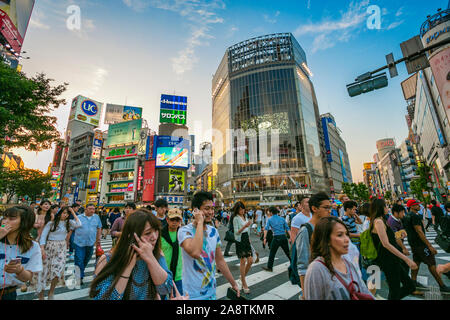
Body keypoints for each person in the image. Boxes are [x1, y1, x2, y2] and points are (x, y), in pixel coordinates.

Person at [89, 209, 175, 300]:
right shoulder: (108, 260)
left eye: (156, 231)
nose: (154, 237)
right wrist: (127, 267)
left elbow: (165, 289)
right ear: (131, 236)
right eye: (148, 233)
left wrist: (151, 259)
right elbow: (102, 297)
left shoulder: (157, 255)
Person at [178, 191, 239, 300]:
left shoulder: (213, 232)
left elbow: (220, 261)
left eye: (212, 208)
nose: (211, 212)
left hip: (211, 293)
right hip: (190, 295)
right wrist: (200, 222)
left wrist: (233, 283)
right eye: (207, 208)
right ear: (195, 210)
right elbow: (195, 252)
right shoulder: (184, 231)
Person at [304, 216, 374, 300]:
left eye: (347, 234)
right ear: (326, 239)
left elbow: (364, 290)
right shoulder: (316, 269)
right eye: (340, 235)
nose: (347, 239)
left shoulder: (348, 263)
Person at [370, 199, 417, 300]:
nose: (387, 208)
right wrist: (406, 259)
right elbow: (386, 244)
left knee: (408, 286)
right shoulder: (378, 221)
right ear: (380, 208)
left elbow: (389, 238)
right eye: (385, 206)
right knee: (396, 290)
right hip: (388, 259)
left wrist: (399, 235)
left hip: (393, 258)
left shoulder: (382, 220)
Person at [404, 199, 450, 293]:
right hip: (420, 244)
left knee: (417, 261)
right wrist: (429, 245)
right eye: (417, 205)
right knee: (431, 263)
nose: (419, 206)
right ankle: (442, 285)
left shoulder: (407, 216)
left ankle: (413, 281)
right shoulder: (414, 216)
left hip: (413, 243)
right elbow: (419, 231)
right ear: (412, 206)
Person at [36, 206, 82, 300]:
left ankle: (51, 292)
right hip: (49, 247)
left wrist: (72, 212)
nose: (65, 215)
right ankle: (41, 295)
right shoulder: (51, 223)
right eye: (63, 212)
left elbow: (79, 224)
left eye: (67, 213)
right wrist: (42, 249)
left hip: (61, 248)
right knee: (44, 272)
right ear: (60, 213)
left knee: (58, 271)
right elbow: (43, 236)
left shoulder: (69, 223)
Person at [0, 206, 43, 300]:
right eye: (4, 217)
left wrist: (19, 270)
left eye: (11, 218)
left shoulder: (33, 246)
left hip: (8, 293)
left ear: (24, 222)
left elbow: (26, 278)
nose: (4, 222)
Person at [295, 192, 331, 297]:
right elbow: (302, 265)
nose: (329, 211)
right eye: (326, 208)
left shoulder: (328, 226)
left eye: (330, 207)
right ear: (314, 209)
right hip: (316, 282)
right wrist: (305, 295)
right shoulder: (306, 231)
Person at [73, 203, 103, 286]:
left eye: (93, 209)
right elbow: (72, 229)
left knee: (86, 259)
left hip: (90, 243)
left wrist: (98, 240)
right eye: (90, 209)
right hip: (79, 243)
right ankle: (79, 277)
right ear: (85, 209)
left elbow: (99, 227)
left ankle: (79, 271)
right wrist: (68, 241)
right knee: (79, 259)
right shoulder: (79, 217)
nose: (92, 210)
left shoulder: (96, 217)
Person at [161, 208, 184, 296]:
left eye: (177, 220)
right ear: (167, 219)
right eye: (172, 219)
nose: (174, 222)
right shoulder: (160, 234)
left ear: (180, 221)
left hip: (178, 275)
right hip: (163, 274)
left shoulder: (183, 234)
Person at [232, 201, 253, 294]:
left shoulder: (245, 216)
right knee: (243, 261)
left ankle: (242, 277)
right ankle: (244, 283)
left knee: (250, 261)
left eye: (243, 209)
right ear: (237, 210)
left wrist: (249, 238)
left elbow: (247, 230)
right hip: (240, 240)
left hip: (246, 240)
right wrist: (245, 226)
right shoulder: (235, 218)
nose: (242, 211)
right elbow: (236, 232)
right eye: (240, 209)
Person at [262, 206, 291, 272]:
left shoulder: (269, 219)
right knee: (288, 252)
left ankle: (270, 267)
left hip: (276, 237)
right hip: (283, 237)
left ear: (271, 212)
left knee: (272, 253)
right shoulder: (282, 219)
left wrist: (264, 238)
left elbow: (266, 229)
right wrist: (291, 237)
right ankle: (294, 264)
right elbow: (287, 228)